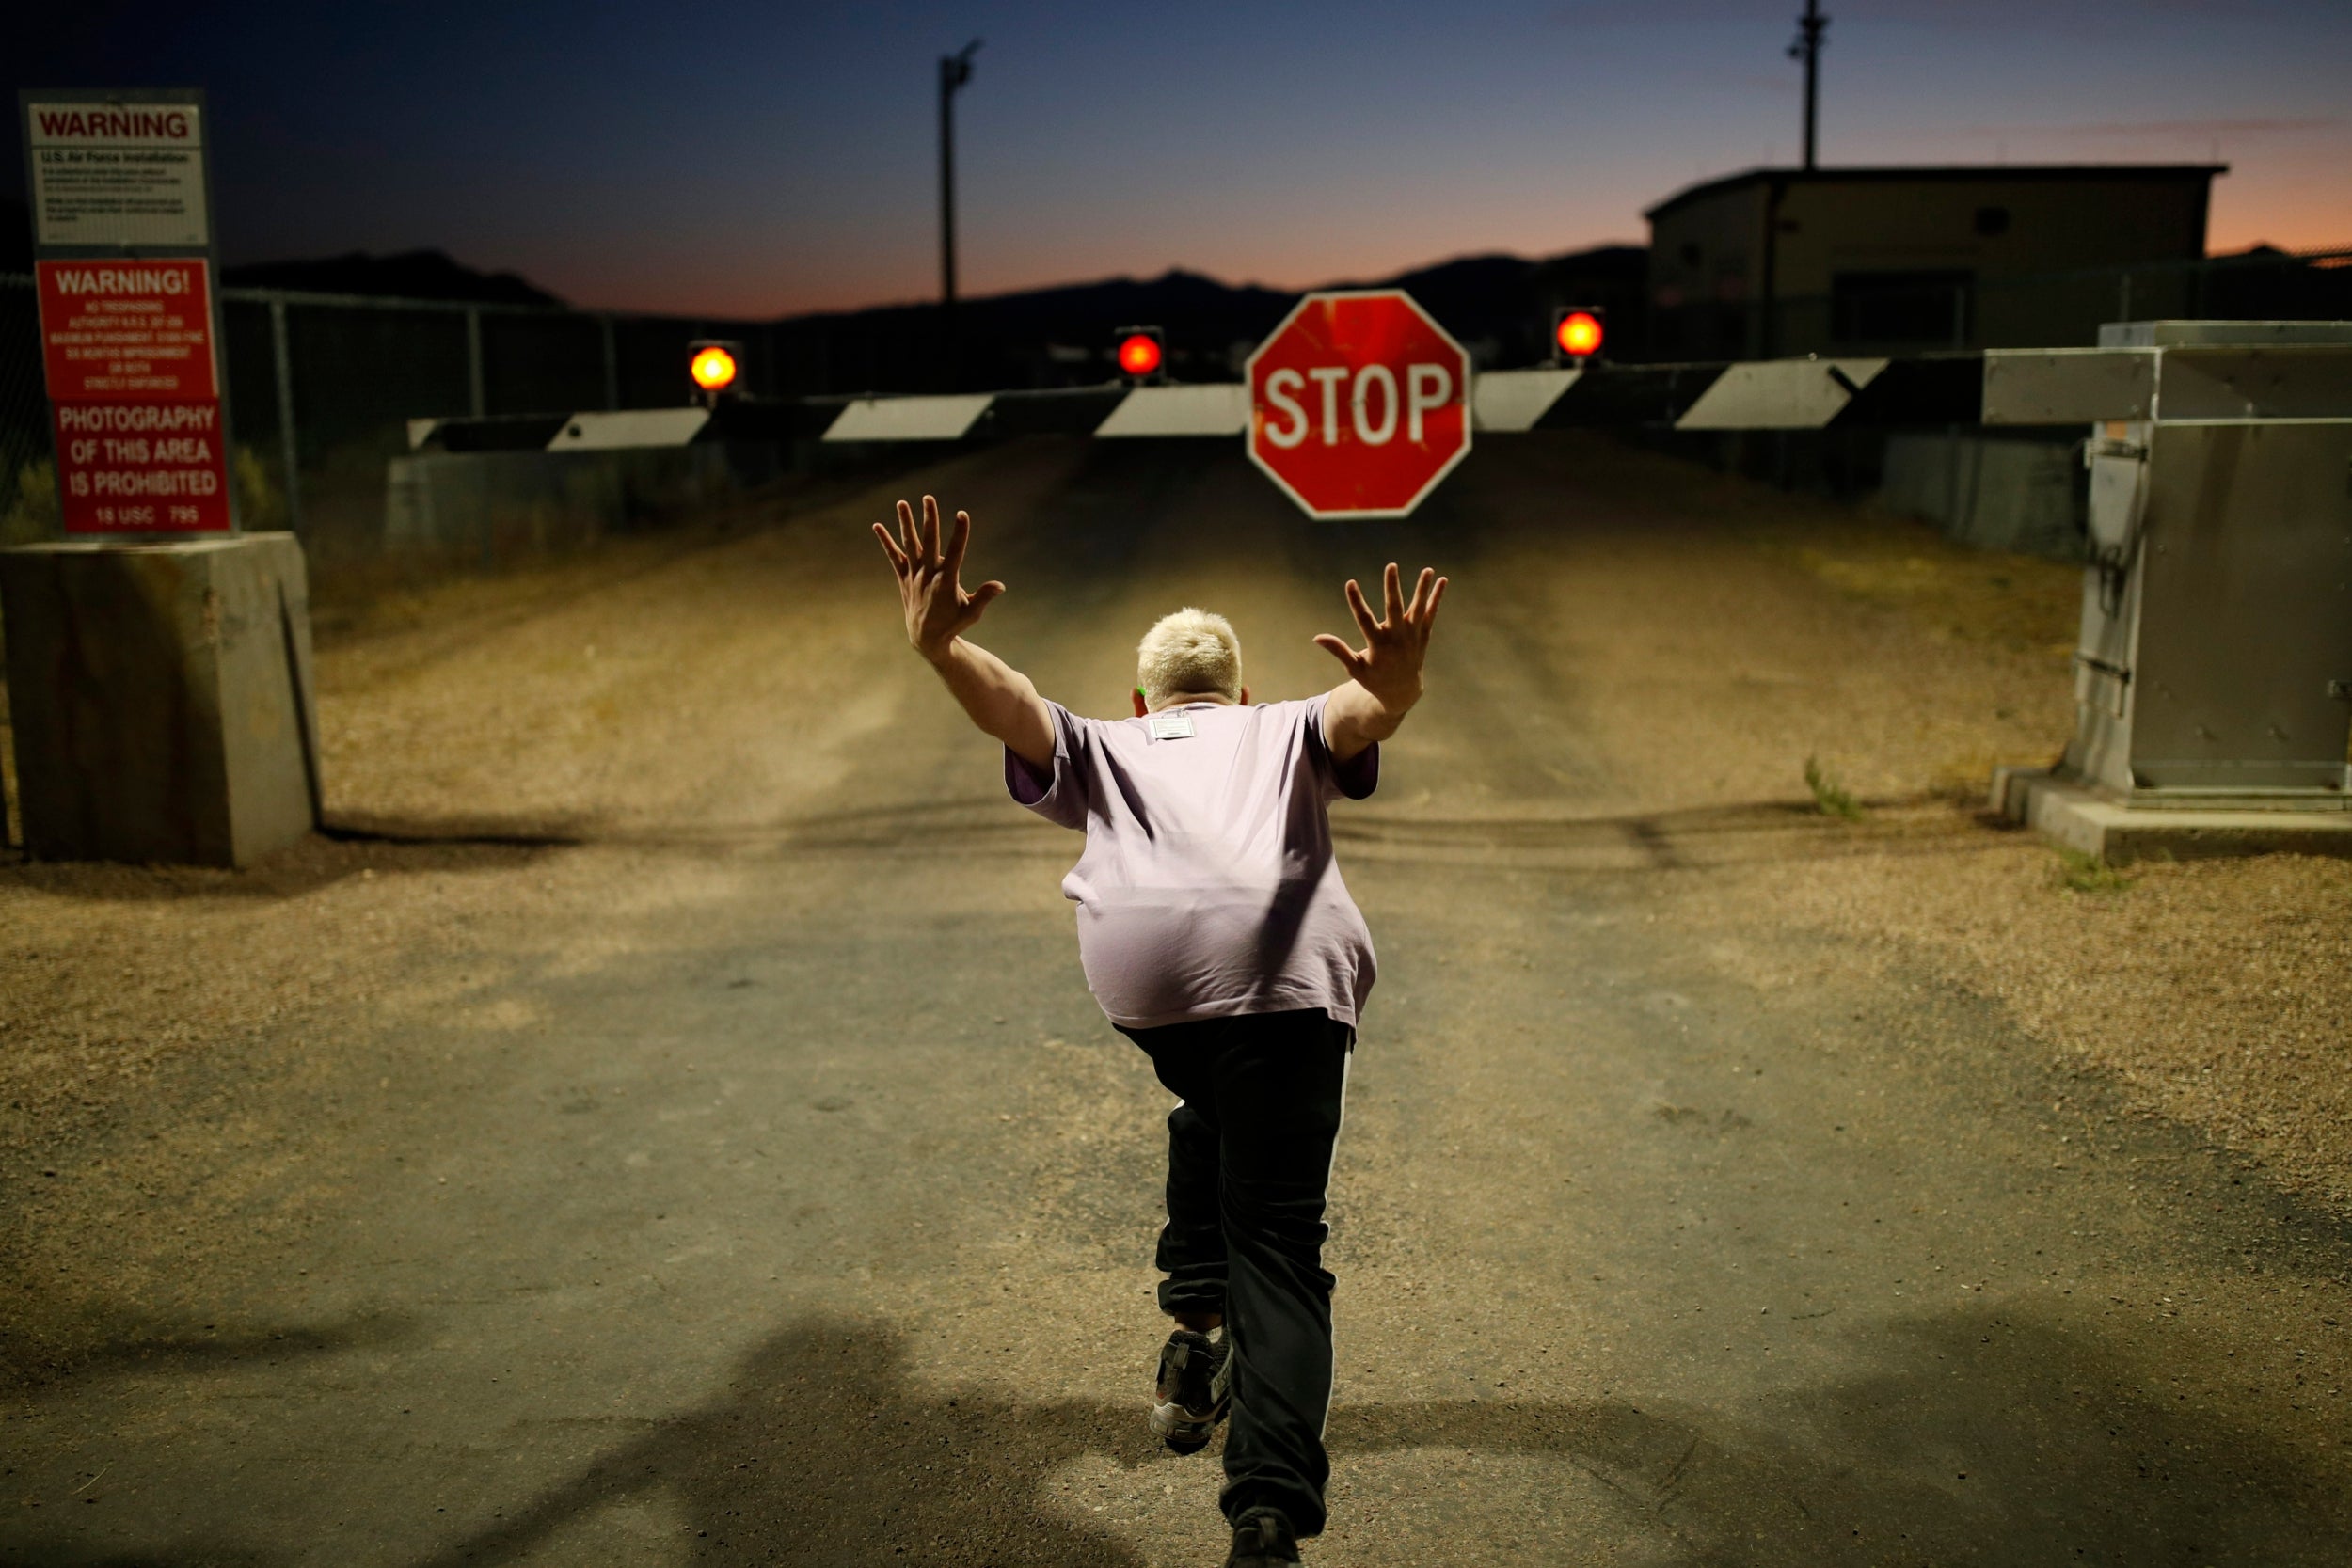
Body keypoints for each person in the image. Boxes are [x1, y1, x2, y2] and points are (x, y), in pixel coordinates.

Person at [874, 495, 1446, 1568]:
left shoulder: (1105, 739)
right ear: (1245, 692)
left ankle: (1195, 1319)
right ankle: (1266, 1509)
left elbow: (1014, 706)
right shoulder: (1283, 726)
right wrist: (1397, 678)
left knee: (1208, 1104)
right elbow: (1362, 714)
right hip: (1280, 987)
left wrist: (941, 646)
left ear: (1142, 698)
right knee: (1276, 1241)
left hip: (1153, 999)